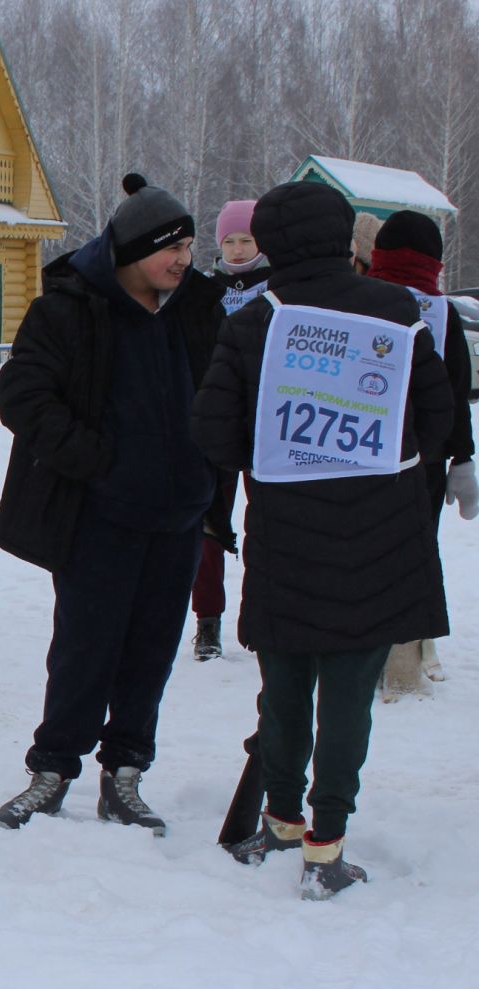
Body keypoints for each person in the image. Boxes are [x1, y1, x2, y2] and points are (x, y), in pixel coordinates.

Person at [190, 180, 453, 899]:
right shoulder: (399, 312)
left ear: (270, 241)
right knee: (347, 698)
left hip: (286, 535)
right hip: (381, 538)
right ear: (344, 238)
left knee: (283, 691)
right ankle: (325, 845)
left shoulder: (253, 324)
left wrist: (280, 456)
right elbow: (440, 422)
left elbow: (211, 431)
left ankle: (277, 822)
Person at [0, 173, 224, 834]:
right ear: (129, 251)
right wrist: (97, 462)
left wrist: (211, 468)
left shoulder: (197, 307)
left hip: (180, 515)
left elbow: (226, 390)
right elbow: (23, 397)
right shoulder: (70, 308)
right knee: (85, 647)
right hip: (100, 516)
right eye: (168, 247)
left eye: (188, 243)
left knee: (152, 648)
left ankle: (125, 773)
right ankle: (53, 767)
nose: (183, 257)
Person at [365, 210, 478, 693]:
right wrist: (462, 456)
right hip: (423, 462)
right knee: (414, 557)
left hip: (360, 452)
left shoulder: (356, 303)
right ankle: (403, 662)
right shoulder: (442, 313)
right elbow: (455, 389)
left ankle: (359, 657)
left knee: (362, 556)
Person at [192, 199, 276, 661]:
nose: (239, 249)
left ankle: (262, 617)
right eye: (230, 240)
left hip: (265, 422)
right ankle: (207, 622)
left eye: (247, 239)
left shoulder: (279, 287)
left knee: (266, 522)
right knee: (206, 524)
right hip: (216, 420)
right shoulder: (203, 289)